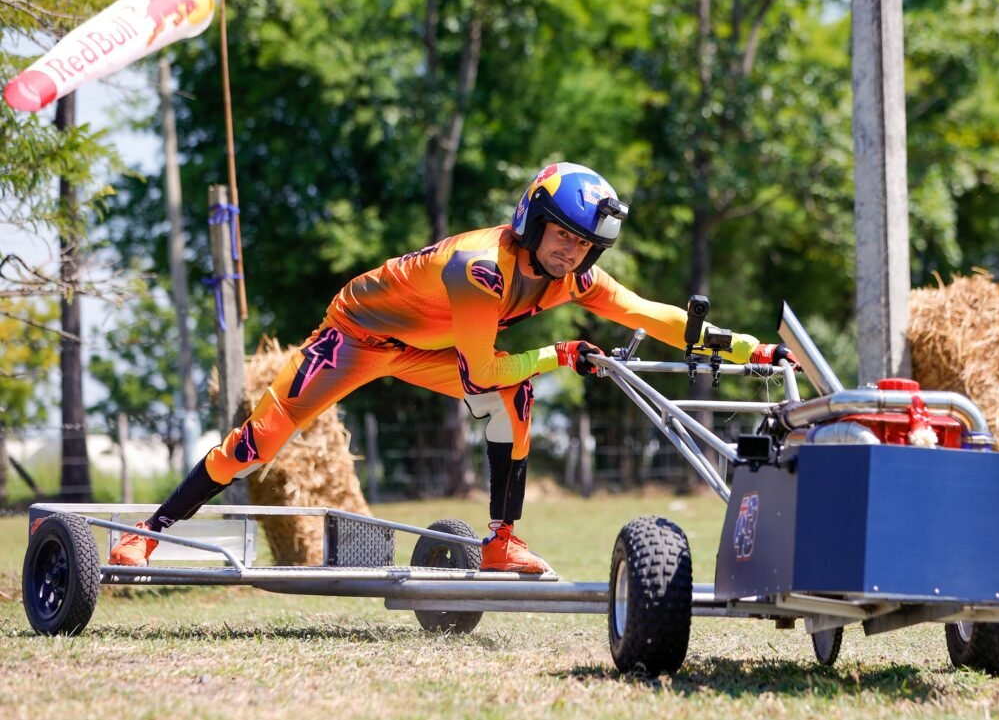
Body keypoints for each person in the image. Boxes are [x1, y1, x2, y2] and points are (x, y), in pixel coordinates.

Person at [110, 162, 798, 573]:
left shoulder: (574, 278)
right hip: (357, 333)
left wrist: (751, 350)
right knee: (256, 442)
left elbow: (657, 316)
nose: (571, 254)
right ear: (532, 221)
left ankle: (501, 542)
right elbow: (481, 367)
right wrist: (560, 355)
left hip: (435, 347)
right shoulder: (479, 269)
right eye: (563, 236)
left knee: (518, 398)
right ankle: (150, 536)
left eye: (585, 246)